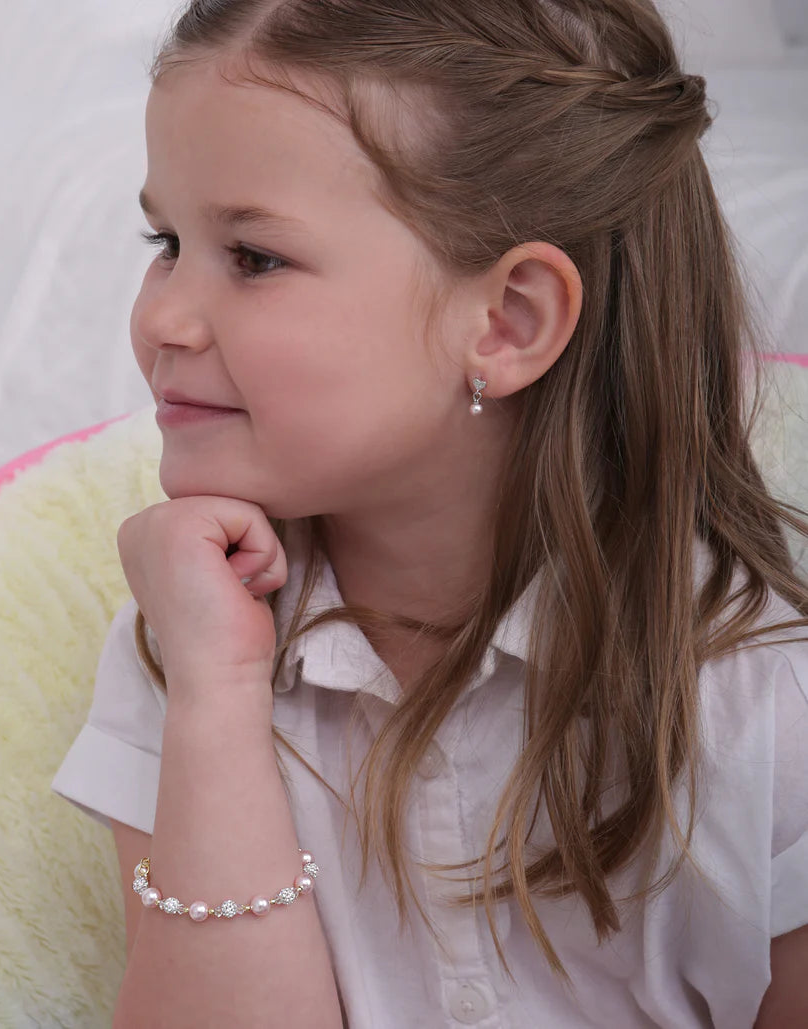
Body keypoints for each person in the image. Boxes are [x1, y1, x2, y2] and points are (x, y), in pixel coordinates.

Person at [50, 1, 808, 1025]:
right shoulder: (188, 647)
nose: (162, 318)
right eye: (166, 240)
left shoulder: (768, 701)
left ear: (507, 322)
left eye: (254, 257)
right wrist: (217, 697)